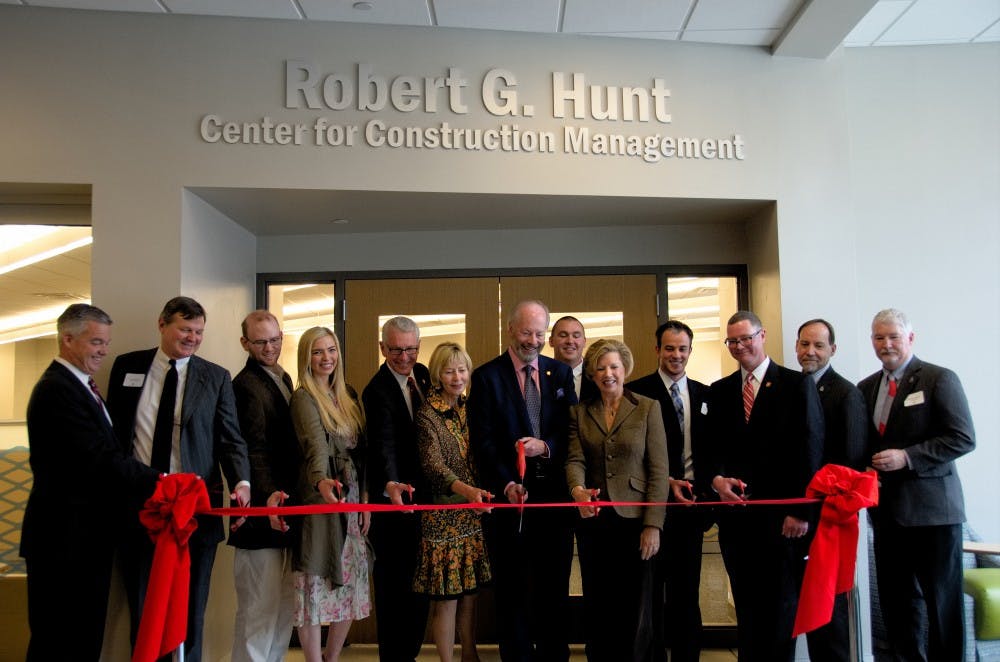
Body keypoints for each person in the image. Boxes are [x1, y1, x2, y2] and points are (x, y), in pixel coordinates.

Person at [107, 296, 251, 662]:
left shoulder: (215, 377)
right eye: (185, 329)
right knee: (144, 607)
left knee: (191, 610)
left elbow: (230, 438)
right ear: (162, 324)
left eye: (199, 332)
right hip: (141, 507)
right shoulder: (127, 367)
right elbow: (115, 437)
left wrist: (241, 483)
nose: (192, 338)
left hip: (194, 510)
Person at [20, 304, 159, 662]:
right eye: (95, 342)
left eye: (106, 342)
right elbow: (99, 460)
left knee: (83, 638)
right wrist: (162, 480)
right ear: (67, 339)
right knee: (60, 639)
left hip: (85, 538)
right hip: (62, 540)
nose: (103, 350)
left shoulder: (81, 387)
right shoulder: (57, 390)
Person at [858, 309, 975, 662]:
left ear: (911, 338)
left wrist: (907, 457)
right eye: (879, 337)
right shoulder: (866, 388)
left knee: (943, 607)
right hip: (888, 517)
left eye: (893, 336)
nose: (886, 344)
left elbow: (962, 437)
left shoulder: (940, 379)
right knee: (898, 608)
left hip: (934, 517)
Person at [706, 310, 823, 662]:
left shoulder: (796, 384)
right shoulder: (721, 390)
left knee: (780, 610)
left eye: (746, 338)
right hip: (737, 522)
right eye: (733, 341)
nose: (740, 346)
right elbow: (712, 448)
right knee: (746, 607)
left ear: (762, 336)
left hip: (782, 523)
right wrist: (716, 480)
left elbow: (810, 449)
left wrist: (800, 510)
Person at [468, 299, 577, 662]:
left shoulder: (559, 374)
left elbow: (570, 432)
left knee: (553, 589)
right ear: (511, 329)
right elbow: (482, 441)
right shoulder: (486, 377)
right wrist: (506, 484)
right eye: (527, 332)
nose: (533, 340)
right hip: (509, 499)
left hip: (554, 500)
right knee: (511, 591)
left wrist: (545, 446)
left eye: (540, 333)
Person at [567, 339, 669, 662]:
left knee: (636, 602)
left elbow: (659, 469)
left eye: (614, 367)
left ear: (625, 370)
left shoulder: (648, 407)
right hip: (595, 522)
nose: (607, 373)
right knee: (598, 600)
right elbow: (574, 460)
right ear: (593, 375)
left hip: (636, 522)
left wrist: (653, 525)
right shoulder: (580, 412)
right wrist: (577, 490)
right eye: (600, 368)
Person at [626, 320, 711, 662]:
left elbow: (713, 453)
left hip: (692, 513)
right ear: (657, 349)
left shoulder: (707, 394)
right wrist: (664, 483)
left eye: (682, 349)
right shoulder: (636, 393)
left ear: (690, 351)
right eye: (669, 348)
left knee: (686, 596)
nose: (676, 355)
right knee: (649, 596)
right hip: (650, 511)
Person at [290, 326, 370, 662]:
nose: (326, 358)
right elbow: (315, 447)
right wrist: (322, 481)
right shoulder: (303, 397)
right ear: (307, 358)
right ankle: (312, 659)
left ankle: (331, 655)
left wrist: (365, 501)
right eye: (318, 352)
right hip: (321, 497)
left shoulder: (348, 394)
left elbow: (363, 453)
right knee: (314, 579)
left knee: (354, 580)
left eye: (331, 350)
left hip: (352, 501)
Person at [412, 342, 493, 662]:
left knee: (469, 593)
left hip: (471, 515)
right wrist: (468, 490)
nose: (457, 377)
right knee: (446, 597)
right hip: (443, 517)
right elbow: (433, 466)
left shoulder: (469, 406)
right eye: (449, 371)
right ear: (437, 374)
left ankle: (469, 654)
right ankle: (447, 659)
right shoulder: (427, 413)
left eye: (462, 369)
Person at [228, 310, 302, 662]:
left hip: (286, 513)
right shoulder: (245, 385)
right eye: (260, 341)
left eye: (275, 339)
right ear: (245, 343)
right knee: (258, 614)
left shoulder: (282, 378)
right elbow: (251, 450)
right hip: (260, 517)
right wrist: (267, 498)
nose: (270, 347)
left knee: (282, 611)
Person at [795, 318, 868, 662]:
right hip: (802, 518)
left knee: (830, 612)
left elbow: (849, 463)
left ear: (832, 350)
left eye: (818, 346)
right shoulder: (796, 387)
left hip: (829, 520)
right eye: (804, 344)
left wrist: (814, 511)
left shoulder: (846, 393)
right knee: (809, 607)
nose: (810, 352)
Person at [362, 316, 431, 661]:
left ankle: (411, 654)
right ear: (382, 348)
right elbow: (383, 444)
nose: (404, 357)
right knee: (393, 589)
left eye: (410, 349)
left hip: (424, 503)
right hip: (392, 505)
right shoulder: (376, 390)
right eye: (396, 350)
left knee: (420, 588)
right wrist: (391, 483)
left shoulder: (424, 376)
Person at [549, 315, 598, 400]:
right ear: (551, 341)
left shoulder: (597, 376)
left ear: (584, 342)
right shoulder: (539, 375)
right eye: (563, 335)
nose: (570, 341)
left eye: (576, 336)